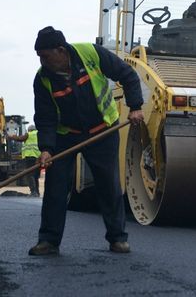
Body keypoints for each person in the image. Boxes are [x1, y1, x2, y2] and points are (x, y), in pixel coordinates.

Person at [28, 26, 144, 256]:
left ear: (61, 50)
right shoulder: (42, 79)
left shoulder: (91, 53)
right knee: (55, 187)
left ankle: (118, 239)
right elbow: (45, 118)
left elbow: (128, 75)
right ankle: (49, 241)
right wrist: (47, 149)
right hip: (67, 135)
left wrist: (136, 107)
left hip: (102, 130)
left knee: (109, 185)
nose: (42, 61)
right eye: (39, 57)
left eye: (45, 56)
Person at [7, 124, 41, 197]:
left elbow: (20, 139)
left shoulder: (29, 134)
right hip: (38, 157)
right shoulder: (39, 134)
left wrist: (11, 137)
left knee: (30, 175)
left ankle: (33, 192)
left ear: (29, 130)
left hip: (30, 156)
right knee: (35, 176)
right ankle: (37, 192)